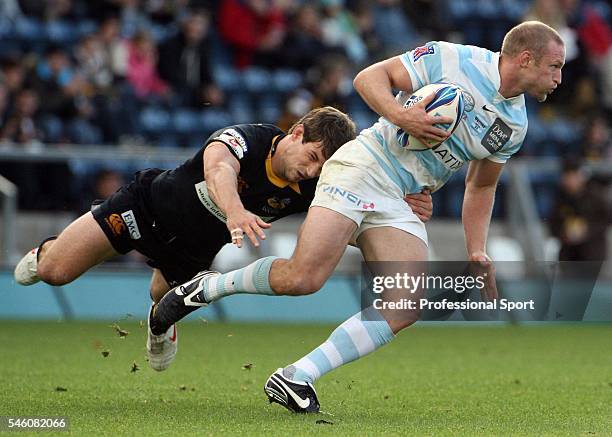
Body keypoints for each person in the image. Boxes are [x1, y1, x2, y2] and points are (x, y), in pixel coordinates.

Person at [149, 20, 565, 413]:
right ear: (525, 59)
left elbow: (481, 186)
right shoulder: (456, 59)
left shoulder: (515, 124)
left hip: (400, 198)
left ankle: (297, 376)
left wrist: (477, 249)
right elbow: (368, 78)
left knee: (405, 303)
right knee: (304, 278)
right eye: (555, 67)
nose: (559, 78)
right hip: (365, 166)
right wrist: (402, 116)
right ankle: (211, 286)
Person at [13, 106, 433, 371]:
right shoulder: (248, 138)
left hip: (193, 248)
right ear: (297, 132)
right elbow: (219, 171)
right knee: (54, 272)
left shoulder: (311, 187)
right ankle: (47, 248)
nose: (310, 172)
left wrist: (395, 213)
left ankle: (159, 327)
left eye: (320, 169)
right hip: (144, 208)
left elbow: (344, 222)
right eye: (312, 158)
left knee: (163, 300)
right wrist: (235, 211)